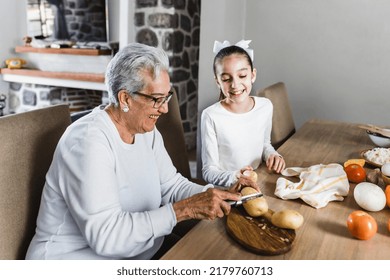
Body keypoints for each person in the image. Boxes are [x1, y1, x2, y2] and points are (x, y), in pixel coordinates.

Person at [25, 43, 258, 260]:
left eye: (167, 96)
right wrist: (183, 211)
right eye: (157, 99)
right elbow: (107, 237)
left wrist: (218, 194)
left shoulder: (146, 131)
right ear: (125, 98)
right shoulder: (88, 142)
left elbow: (172, 186)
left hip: (141, 252)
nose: (165, 108)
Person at [201, 40, 286, 187]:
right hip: (228, 190)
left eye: (242, 76)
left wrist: (273, 155)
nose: (235, 84)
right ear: (218, 82)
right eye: (226, 79)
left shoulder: (265, 106)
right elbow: (209, 171)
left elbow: (264, 144)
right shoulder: (210, 116)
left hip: (258, 182)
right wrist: (235, 176)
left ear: (252, 75)